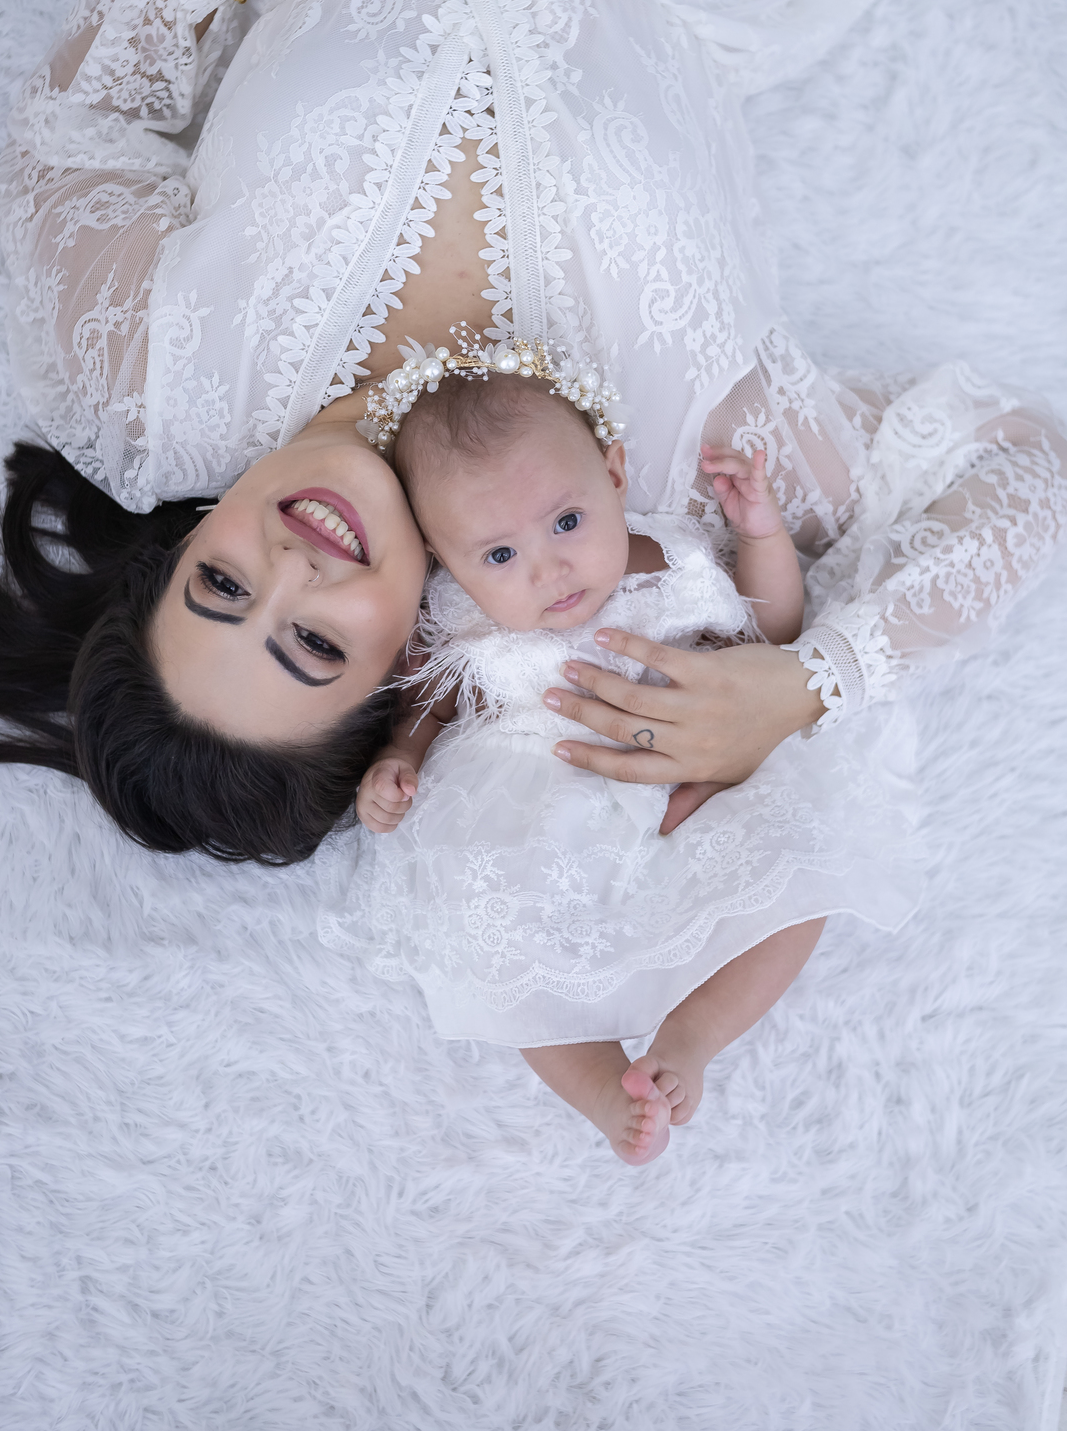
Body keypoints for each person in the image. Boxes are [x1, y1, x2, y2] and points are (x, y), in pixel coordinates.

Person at [0, 0, 1065, 863]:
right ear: (404, 665)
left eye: (222, 585)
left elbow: (71, 133)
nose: (293, 566)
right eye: (310, 645)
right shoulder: (655, 475)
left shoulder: (155, 385)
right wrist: (816, 683)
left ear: (182, 551)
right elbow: (1014, 464)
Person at [334, 338, 919, 1163]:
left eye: (567, 521)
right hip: (546, 804)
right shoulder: (460, 618)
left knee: (800, 868)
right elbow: (429, 707)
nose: (549, 567)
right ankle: (602, 1087)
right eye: (499, 555)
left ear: (613, 474)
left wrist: (762, 535)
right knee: (502, 943)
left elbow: (771, 636)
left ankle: (692, 1037)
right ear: (447, 560)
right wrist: (399, 759)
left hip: (698, 787)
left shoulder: (677, 559)